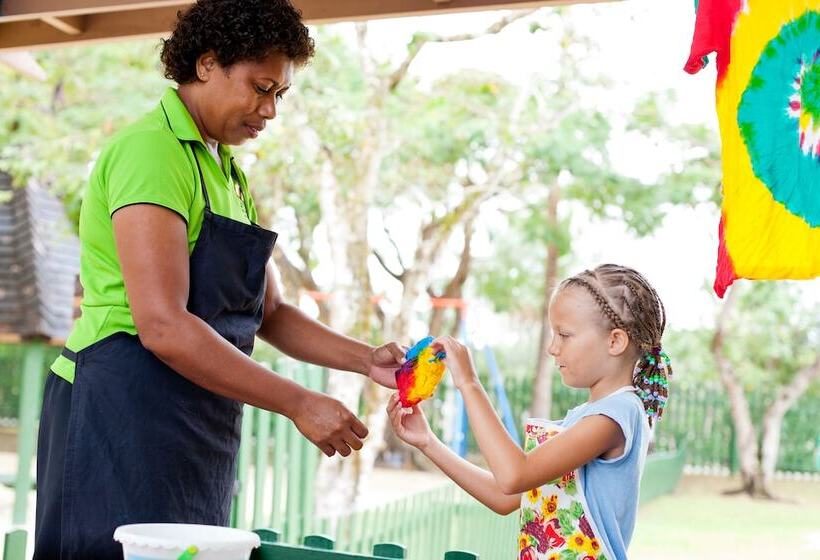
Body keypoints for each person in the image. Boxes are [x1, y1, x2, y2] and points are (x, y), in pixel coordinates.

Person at [34, 1, 404, 558]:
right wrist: (298, 402)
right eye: (261, 88)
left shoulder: (227, 172)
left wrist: (365, 359)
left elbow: (270, 312)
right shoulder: (152, 152)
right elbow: (162, 324)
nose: (270, 110)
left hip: (195, 419)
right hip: (117, 410)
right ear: (207, 64)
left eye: (280, 94)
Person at [388, 264, 672, 560]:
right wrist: (428, 443)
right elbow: (504, 496)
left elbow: (514, 475)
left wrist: (469, 383)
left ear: (615, 341)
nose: (552, 347)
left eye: (564, 334)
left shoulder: (618, 414)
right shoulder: (582, 419)